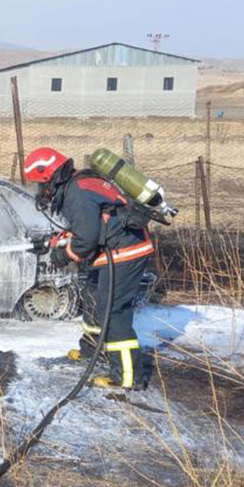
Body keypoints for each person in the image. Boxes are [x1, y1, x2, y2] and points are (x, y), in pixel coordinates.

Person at [23, 147, 155, 391]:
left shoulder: (77, 192)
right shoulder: (77, 184)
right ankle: (94, 350)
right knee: (93, 297)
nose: (40, 192)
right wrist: (56, 240)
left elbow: (87, 238)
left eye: (41, 185)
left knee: (113, 311)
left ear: (51, 177)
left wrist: (64, 255)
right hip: (111, 251)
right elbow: (90, 223)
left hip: (125, 252)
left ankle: (127, 376)